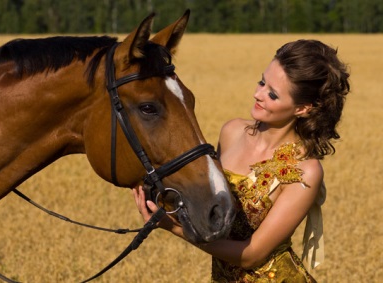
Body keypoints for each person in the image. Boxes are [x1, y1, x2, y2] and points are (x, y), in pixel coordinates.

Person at [133, 39, 350, 282]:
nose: (257, 94)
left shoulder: (304, 171)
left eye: (272, 94)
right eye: (261, 81)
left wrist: (174, 228)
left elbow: (252, 255)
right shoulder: (231, 132)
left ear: (302, 108)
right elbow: (206, 201)